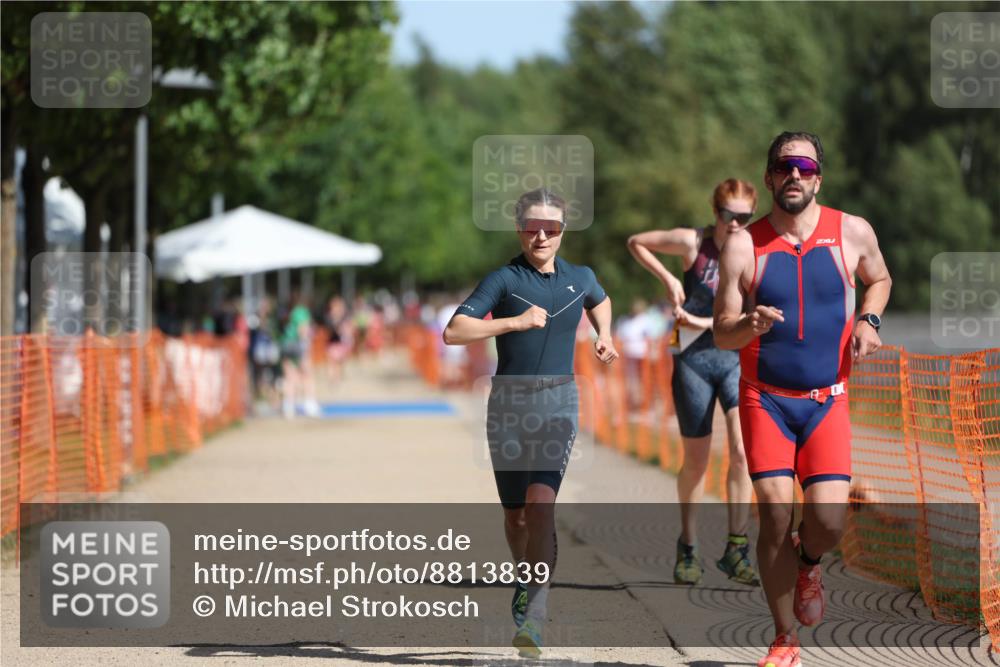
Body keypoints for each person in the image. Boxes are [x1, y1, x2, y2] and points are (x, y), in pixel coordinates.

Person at [713, 132, 891, 667]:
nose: (795, 174)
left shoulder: (852, 231)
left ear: (819, 179)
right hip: (765, 399)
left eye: (805, 167)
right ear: (769, 177)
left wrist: (869, 319)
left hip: (827, 401)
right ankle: (784, 637)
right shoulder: (743, 245)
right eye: (784, 166)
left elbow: (880, 278)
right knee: (774, 513)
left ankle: (808, 560)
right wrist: (749, 323)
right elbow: (722, 333)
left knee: (829, 523)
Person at [443, 188, 618, 658]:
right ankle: (524, 575)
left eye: (551, 228)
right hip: (508, 406)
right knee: (515, 514)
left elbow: (599, 299)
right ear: (519, 229)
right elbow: (454, 331)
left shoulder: (580, 276)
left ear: (563, 231)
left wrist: (604, 334)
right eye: (532, 228)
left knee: (541, 506)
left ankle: (536, 615)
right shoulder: (504, 280)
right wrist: (513, 323)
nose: (541, 236)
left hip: (559, 401)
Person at [628, 179, 760, 587]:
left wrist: (701, 320)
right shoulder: (693, 243)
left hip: (734, 358)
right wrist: (669, 280)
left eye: (745, 217)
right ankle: (688, 544)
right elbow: (636, 242)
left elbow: (749, 312)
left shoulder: (754, 247)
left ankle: (737, 547)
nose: (736, 224)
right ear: (714, 212)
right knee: (697, 461)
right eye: (728, 215)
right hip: (694, 362)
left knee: (742, 452)